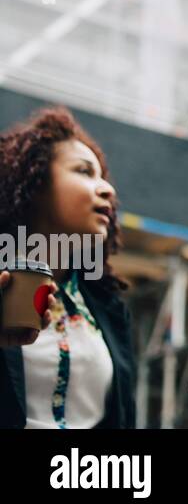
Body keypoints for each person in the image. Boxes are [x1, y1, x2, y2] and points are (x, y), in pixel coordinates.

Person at [0, 107, 136, 429]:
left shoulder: (110, 311)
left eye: (103, 176)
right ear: (35, 183)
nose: (107, 189)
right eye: (84, 172)